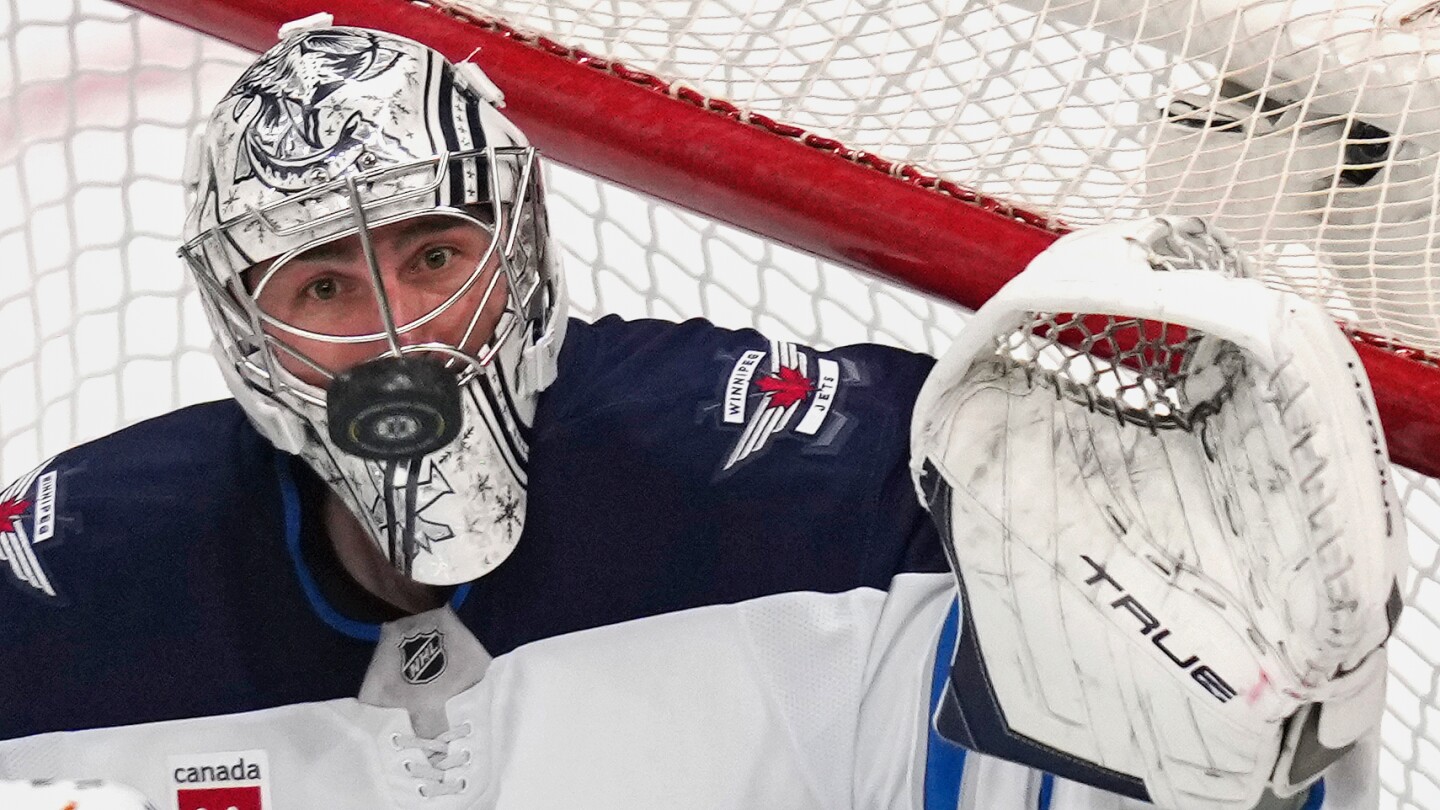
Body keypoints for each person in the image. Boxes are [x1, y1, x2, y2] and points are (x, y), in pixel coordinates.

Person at [0, 19, 1398, 810]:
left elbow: (1143, 704)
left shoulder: (789, 494)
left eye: (434, 252)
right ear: (242, 326)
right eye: (322, 281)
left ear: (526, 245)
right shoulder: (69, 605)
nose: (402, 329)